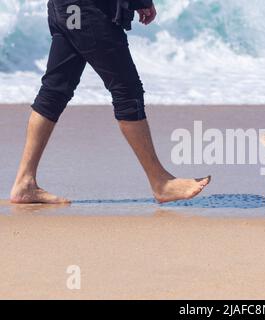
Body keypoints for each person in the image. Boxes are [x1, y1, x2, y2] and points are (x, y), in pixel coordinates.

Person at [10, 0, 211, 204]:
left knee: (55, 90)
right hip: (87, 10)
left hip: (65, 8)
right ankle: (161, 182)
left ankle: (24, 182)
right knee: (127, 91)